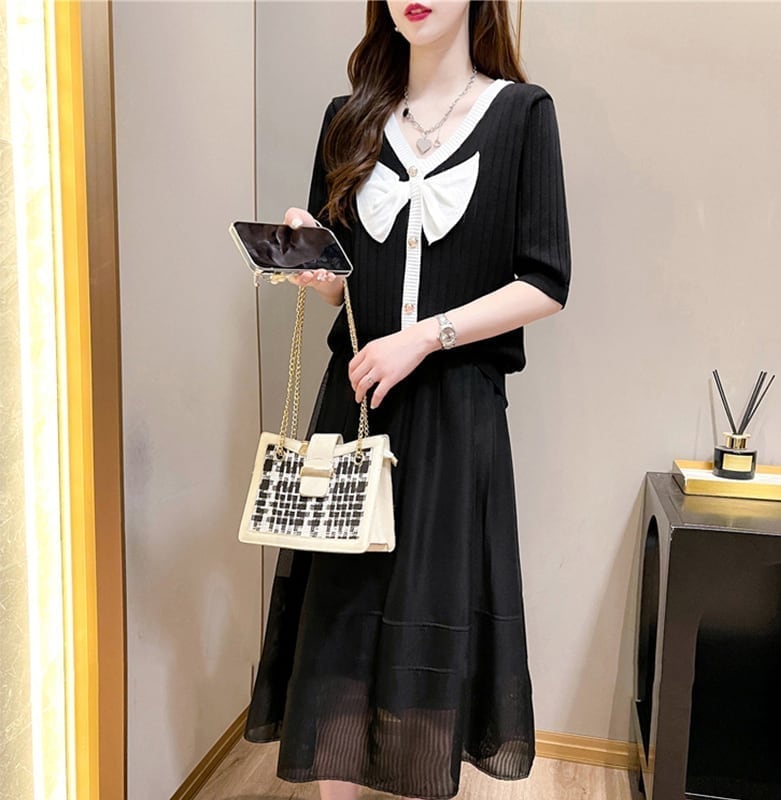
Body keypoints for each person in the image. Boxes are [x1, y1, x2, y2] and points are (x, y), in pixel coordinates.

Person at [243, 2, 571, 799]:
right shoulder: (347, 119)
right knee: (338, 636)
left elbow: (545, 281)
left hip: (457, 415)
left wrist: (424, 337)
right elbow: (343, 290)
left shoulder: (522, 116)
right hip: (356, 403)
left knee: (432, 632)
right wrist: (314, 264)